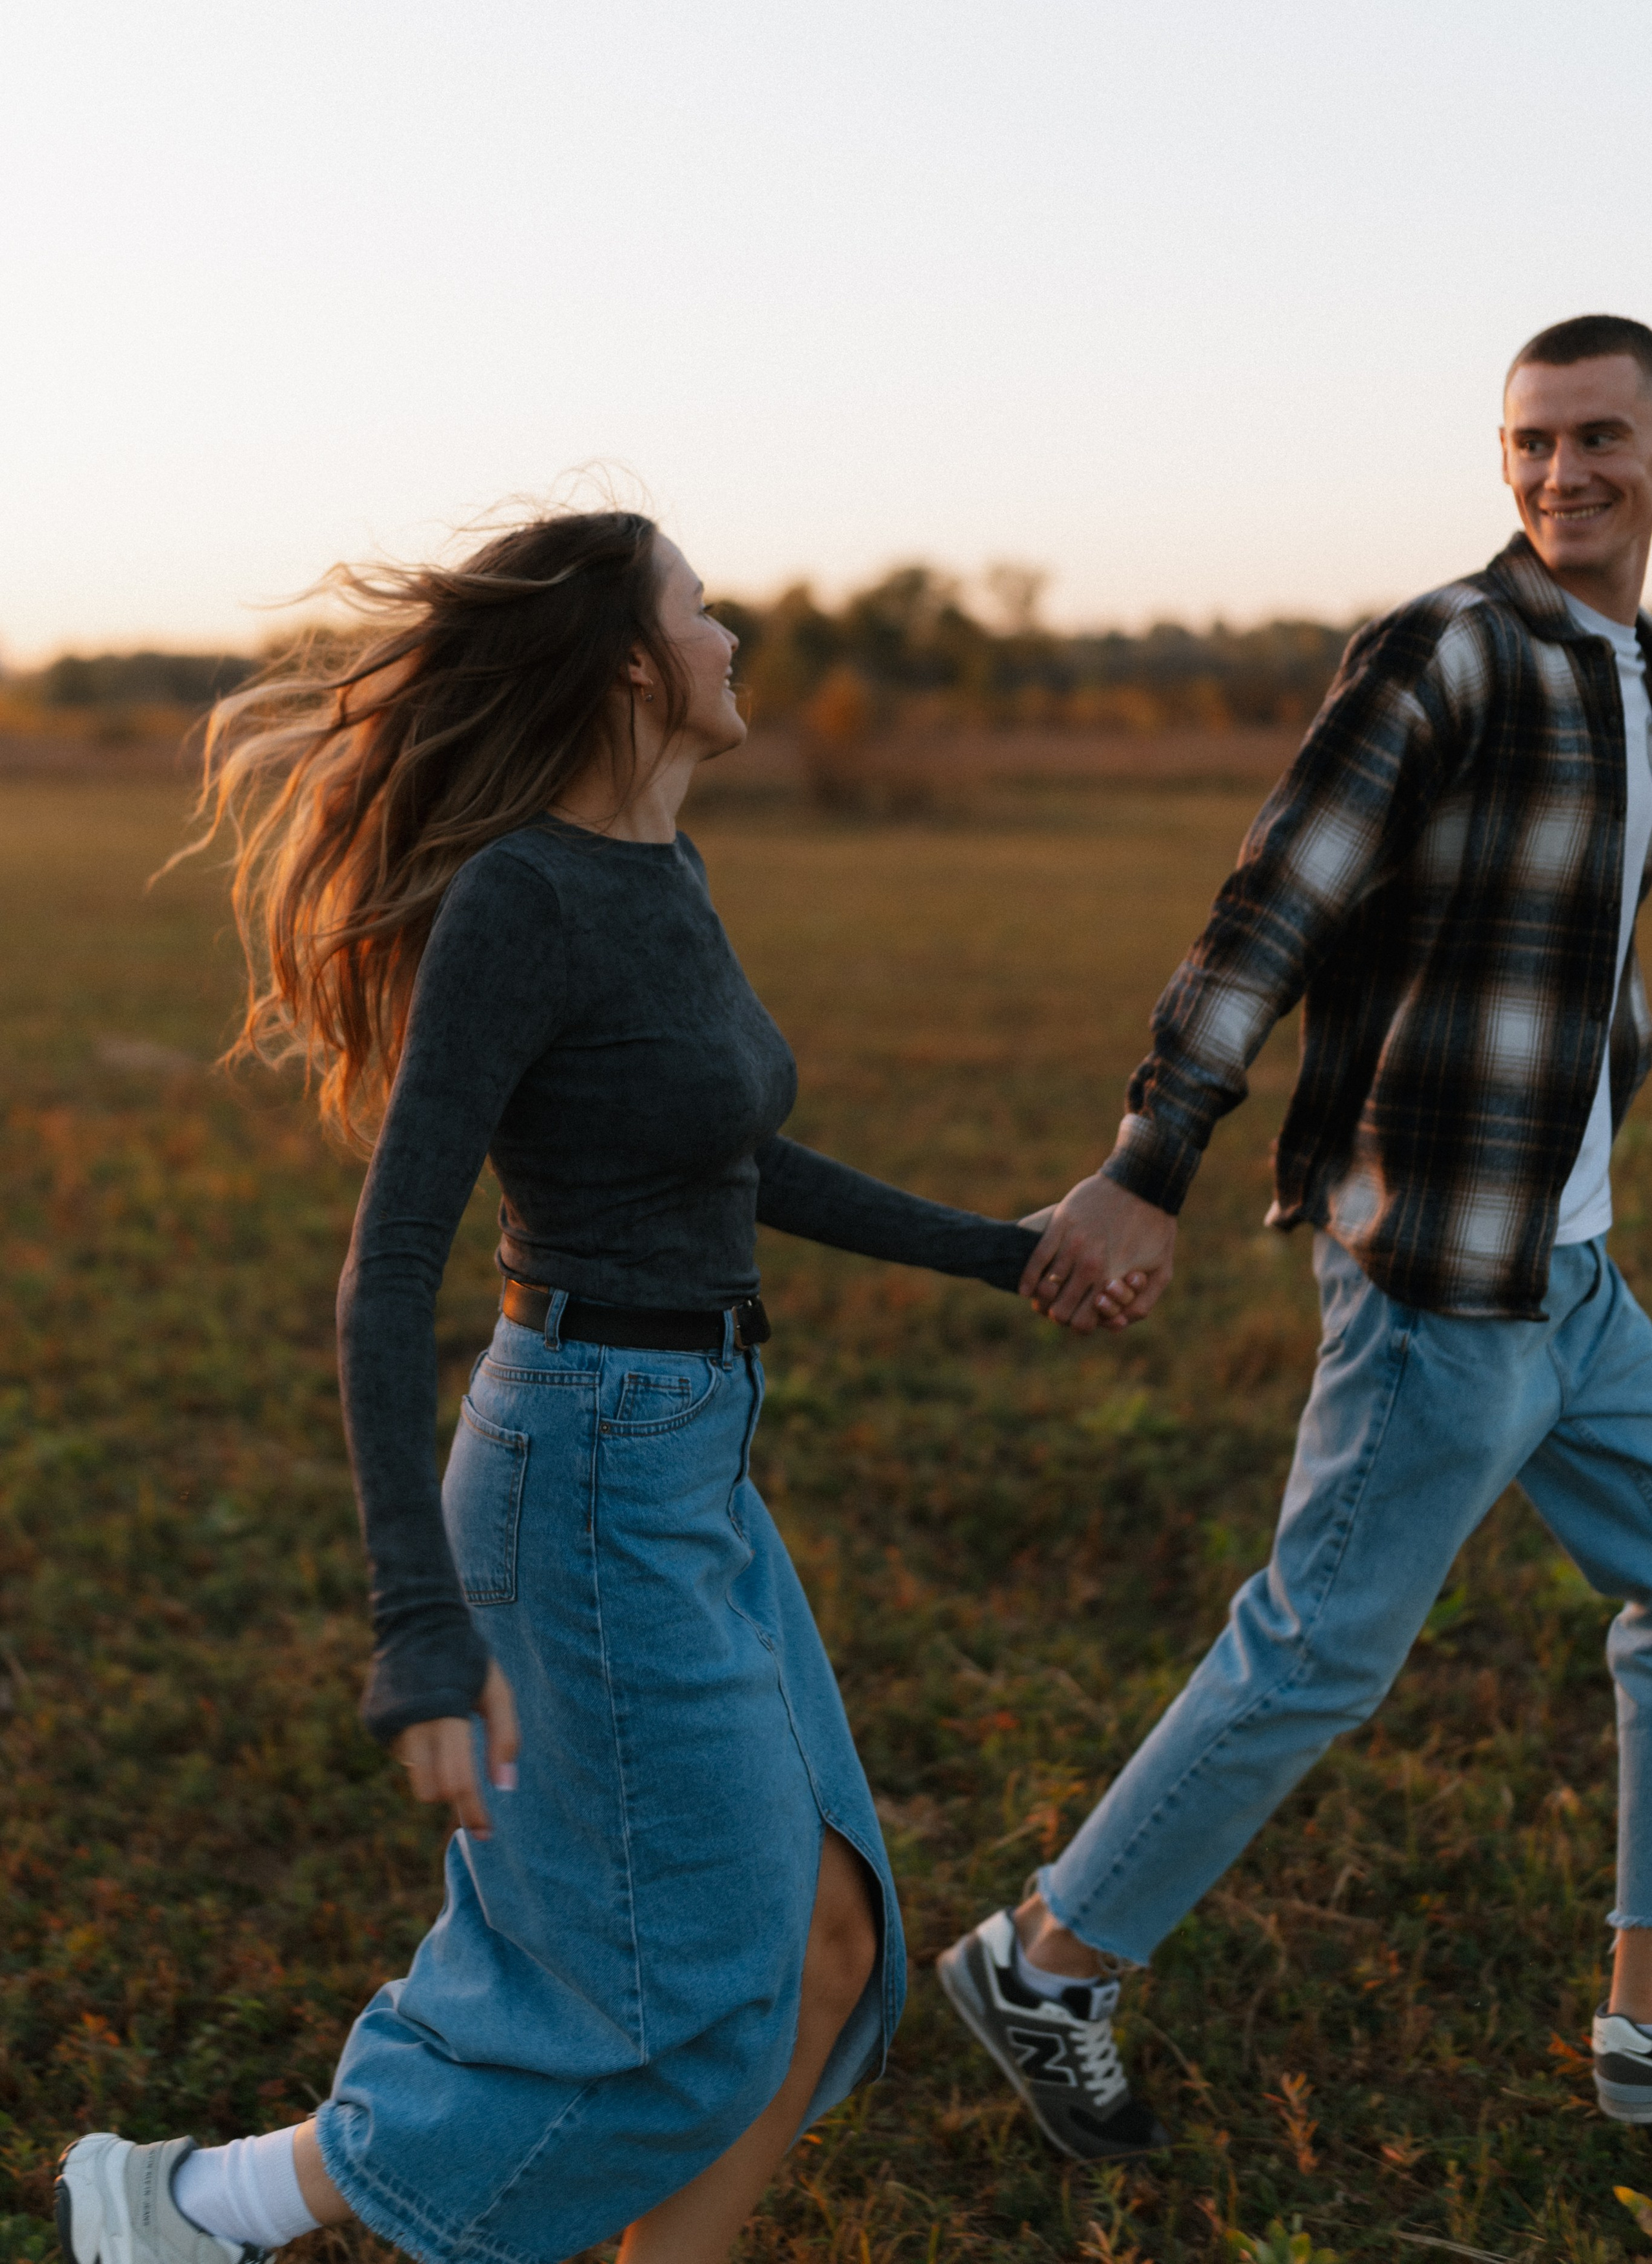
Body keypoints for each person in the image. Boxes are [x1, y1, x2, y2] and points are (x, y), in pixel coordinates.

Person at [57, 509, 1049, 2264]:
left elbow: (734, 1154)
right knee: (669, 2001)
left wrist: (998, 1246)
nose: (734, 633)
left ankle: (202, 2211)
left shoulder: (662, 868)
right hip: (580, 1467)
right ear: (626, 661)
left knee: (821, 1943)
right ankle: (203, 2209)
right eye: (701, 608)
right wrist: (417, 1623)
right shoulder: (520, 897)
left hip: (694, 1458)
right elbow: (386, 1272)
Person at [939, 313, 1652, 2159]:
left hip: (1571, 1282)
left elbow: (1584, 963)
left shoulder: (1645, 676)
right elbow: (1274, 908)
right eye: (1533, 442)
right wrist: (1147, 1161)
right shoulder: (1451, 653)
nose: (1564, 473)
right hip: (1436, 1277)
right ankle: (1047, 1960)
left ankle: (1645, 2006)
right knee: (1317, 1648)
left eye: (1600, 440)